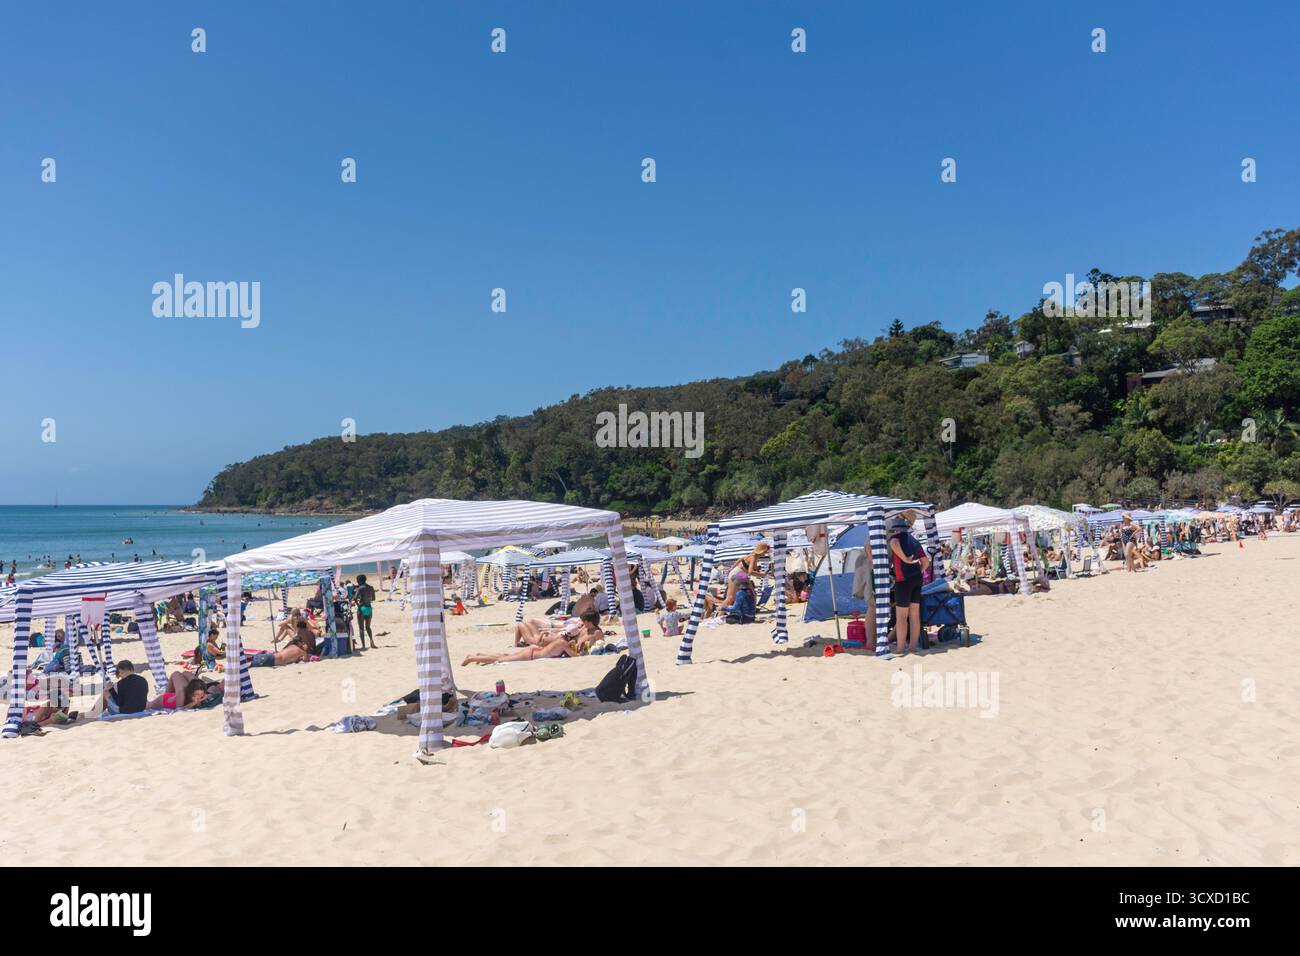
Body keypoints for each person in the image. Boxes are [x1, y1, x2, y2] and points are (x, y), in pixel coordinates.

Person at [888, 514, 929, 655]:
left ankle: (900, 648)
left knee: (901, 617)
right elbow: (926, 563)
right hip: (917, 579)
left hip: (903, 580)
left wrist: (905, 560)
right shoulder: (915, 541)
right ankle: (912, 647)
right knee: (914, 616)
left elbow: (893, 543)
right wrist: (917, 571)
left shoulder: (895, 539)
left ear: (895, 529)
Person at [462, 633, 582, 666]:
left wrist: (571, 643)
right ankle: (472, 658)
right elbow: (576, 657)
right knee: (501, 659)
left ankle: (481, 654)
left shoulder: (560, 641)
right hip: (532, 655)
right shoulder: (562, 643)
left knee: (505, 655)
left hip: (533, 651)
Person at [354, 573, 377, 649]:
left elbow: (355, 598)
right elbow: (373, 598)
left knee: (361, 628)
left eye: (357, 580)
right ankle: (371, 641)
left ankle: (363, 645)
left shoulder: (360, 588)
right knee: (368, 627)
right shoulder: (371, 587)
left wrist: (358, 605)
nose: (357, 582)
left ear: (359, 581)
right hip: (369, 608)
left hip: (362, 608)